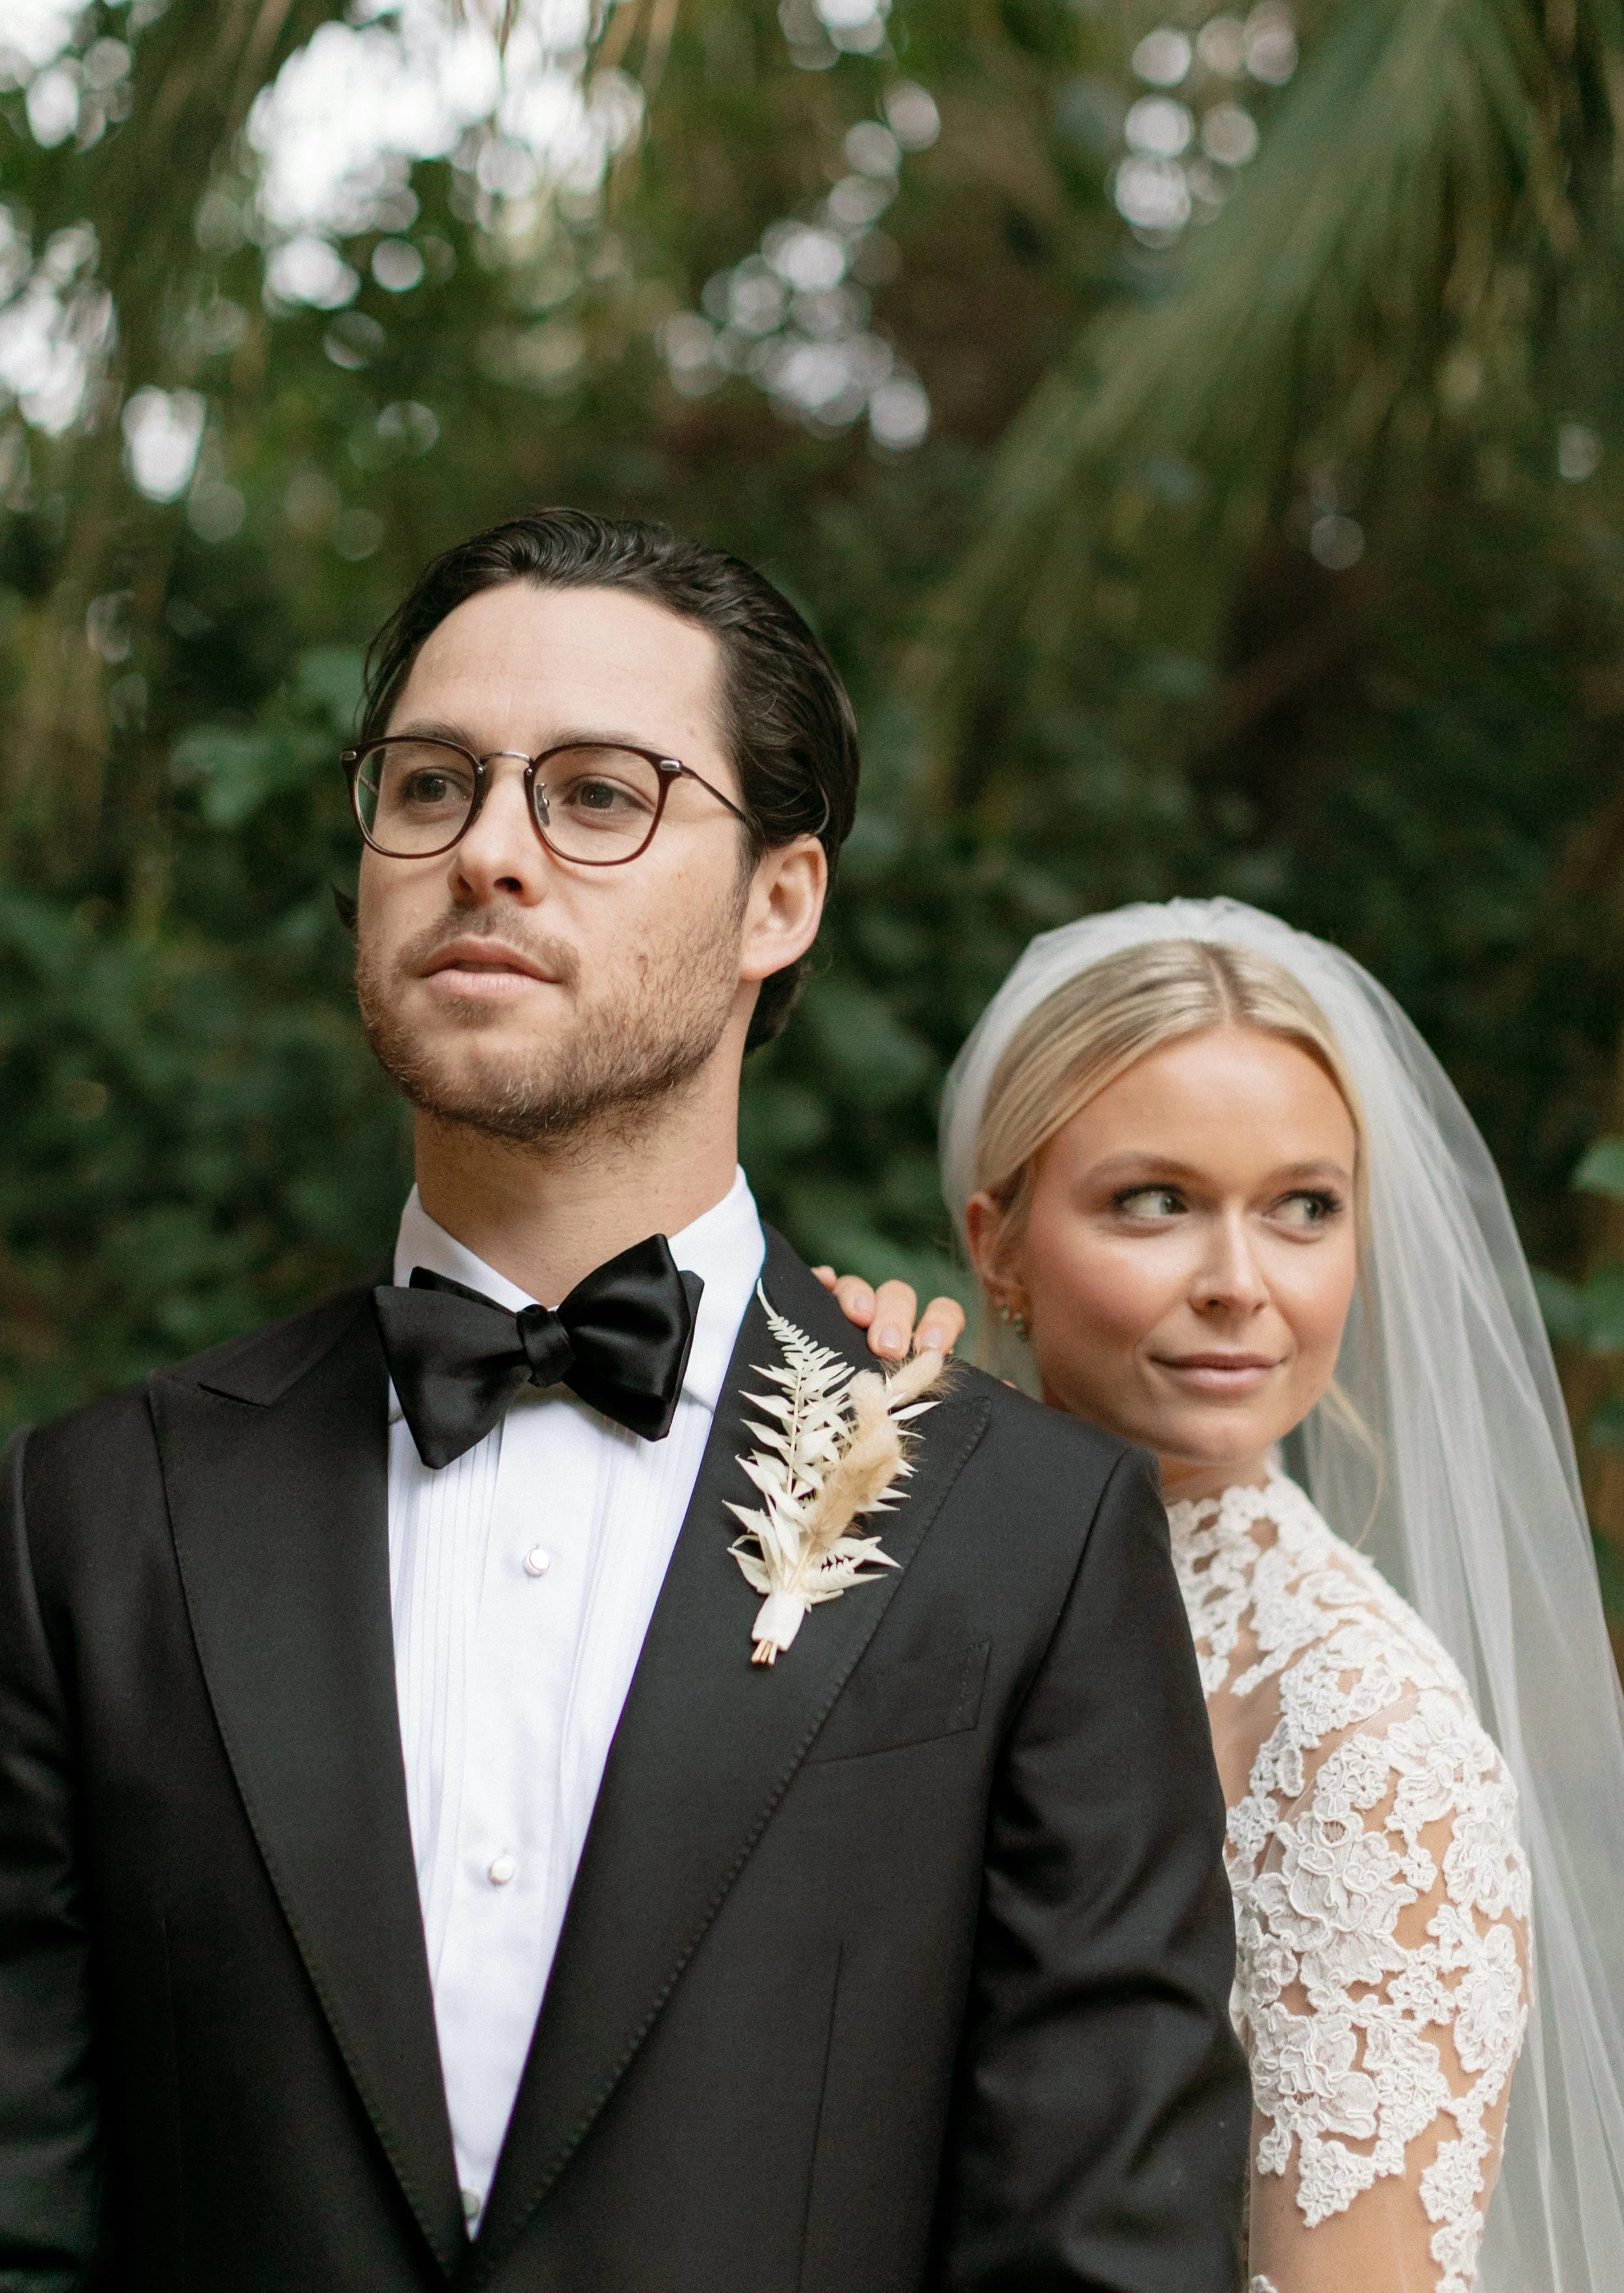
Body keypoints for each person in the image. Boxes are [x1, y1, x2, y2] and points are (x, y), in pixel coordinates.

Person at [0, 516, 1251, 2292]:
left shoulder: (1025, 1540)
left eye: (598, 794)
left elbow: (1102, 2259)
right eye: (430, 783)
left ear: (779, 899)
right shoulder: (91, 1520)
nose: (488, 851)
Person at [822, 898, 1624, 2293]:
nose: (1237, 1285)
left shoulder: (1365, 1744)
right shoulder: (889, 1531)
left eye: (1300, 1209)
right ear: (994, 1242)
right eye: (1157, 1202)